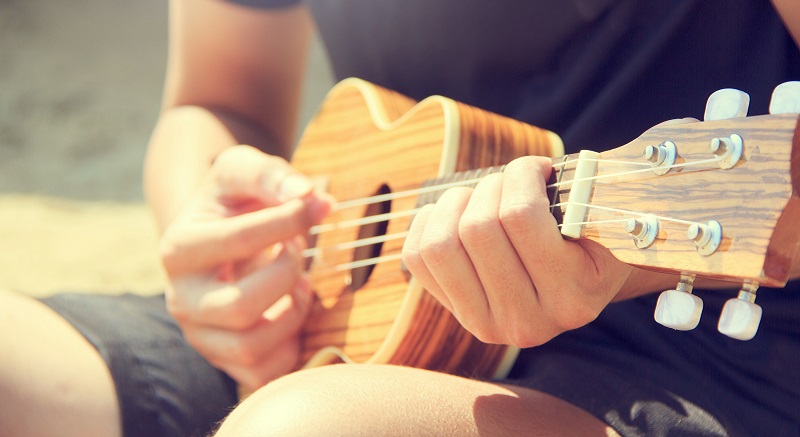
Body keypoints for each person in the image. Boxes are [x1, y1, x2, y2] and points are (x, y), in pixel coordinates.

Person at [1, 0, 799, 436]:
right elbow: (218, 98)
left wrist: (626, 258)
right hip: (345, 309)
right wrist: (223, 256)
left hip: (703, 363)